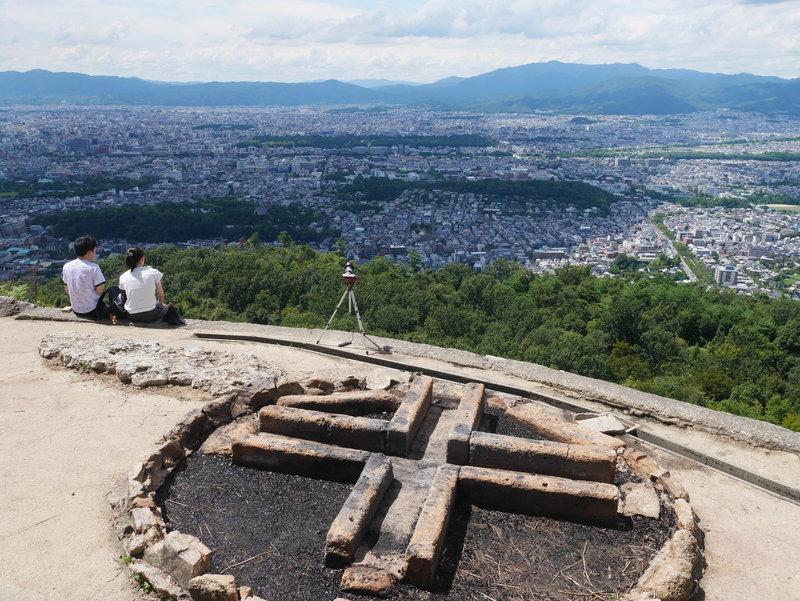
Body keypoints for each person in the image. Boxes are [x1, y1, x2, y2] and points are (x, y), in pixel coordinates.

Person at [62, 234, 112, 319]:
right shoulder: (93, 267)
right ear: (89, 253)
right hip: (93, 309)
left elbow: (67, 290)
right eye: (95, 251)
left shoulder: (67, 266)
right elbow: (100, 291)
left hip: (76, 309)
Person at [118, 246, 169, 322]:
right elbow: (161, 295)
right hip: (150, 314)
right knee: (166, 309)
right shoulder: (153, 272)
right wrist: (160, 304)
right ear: (142, 258)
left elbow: (124, 295)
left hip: (131, 314)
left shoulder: (123, 276)